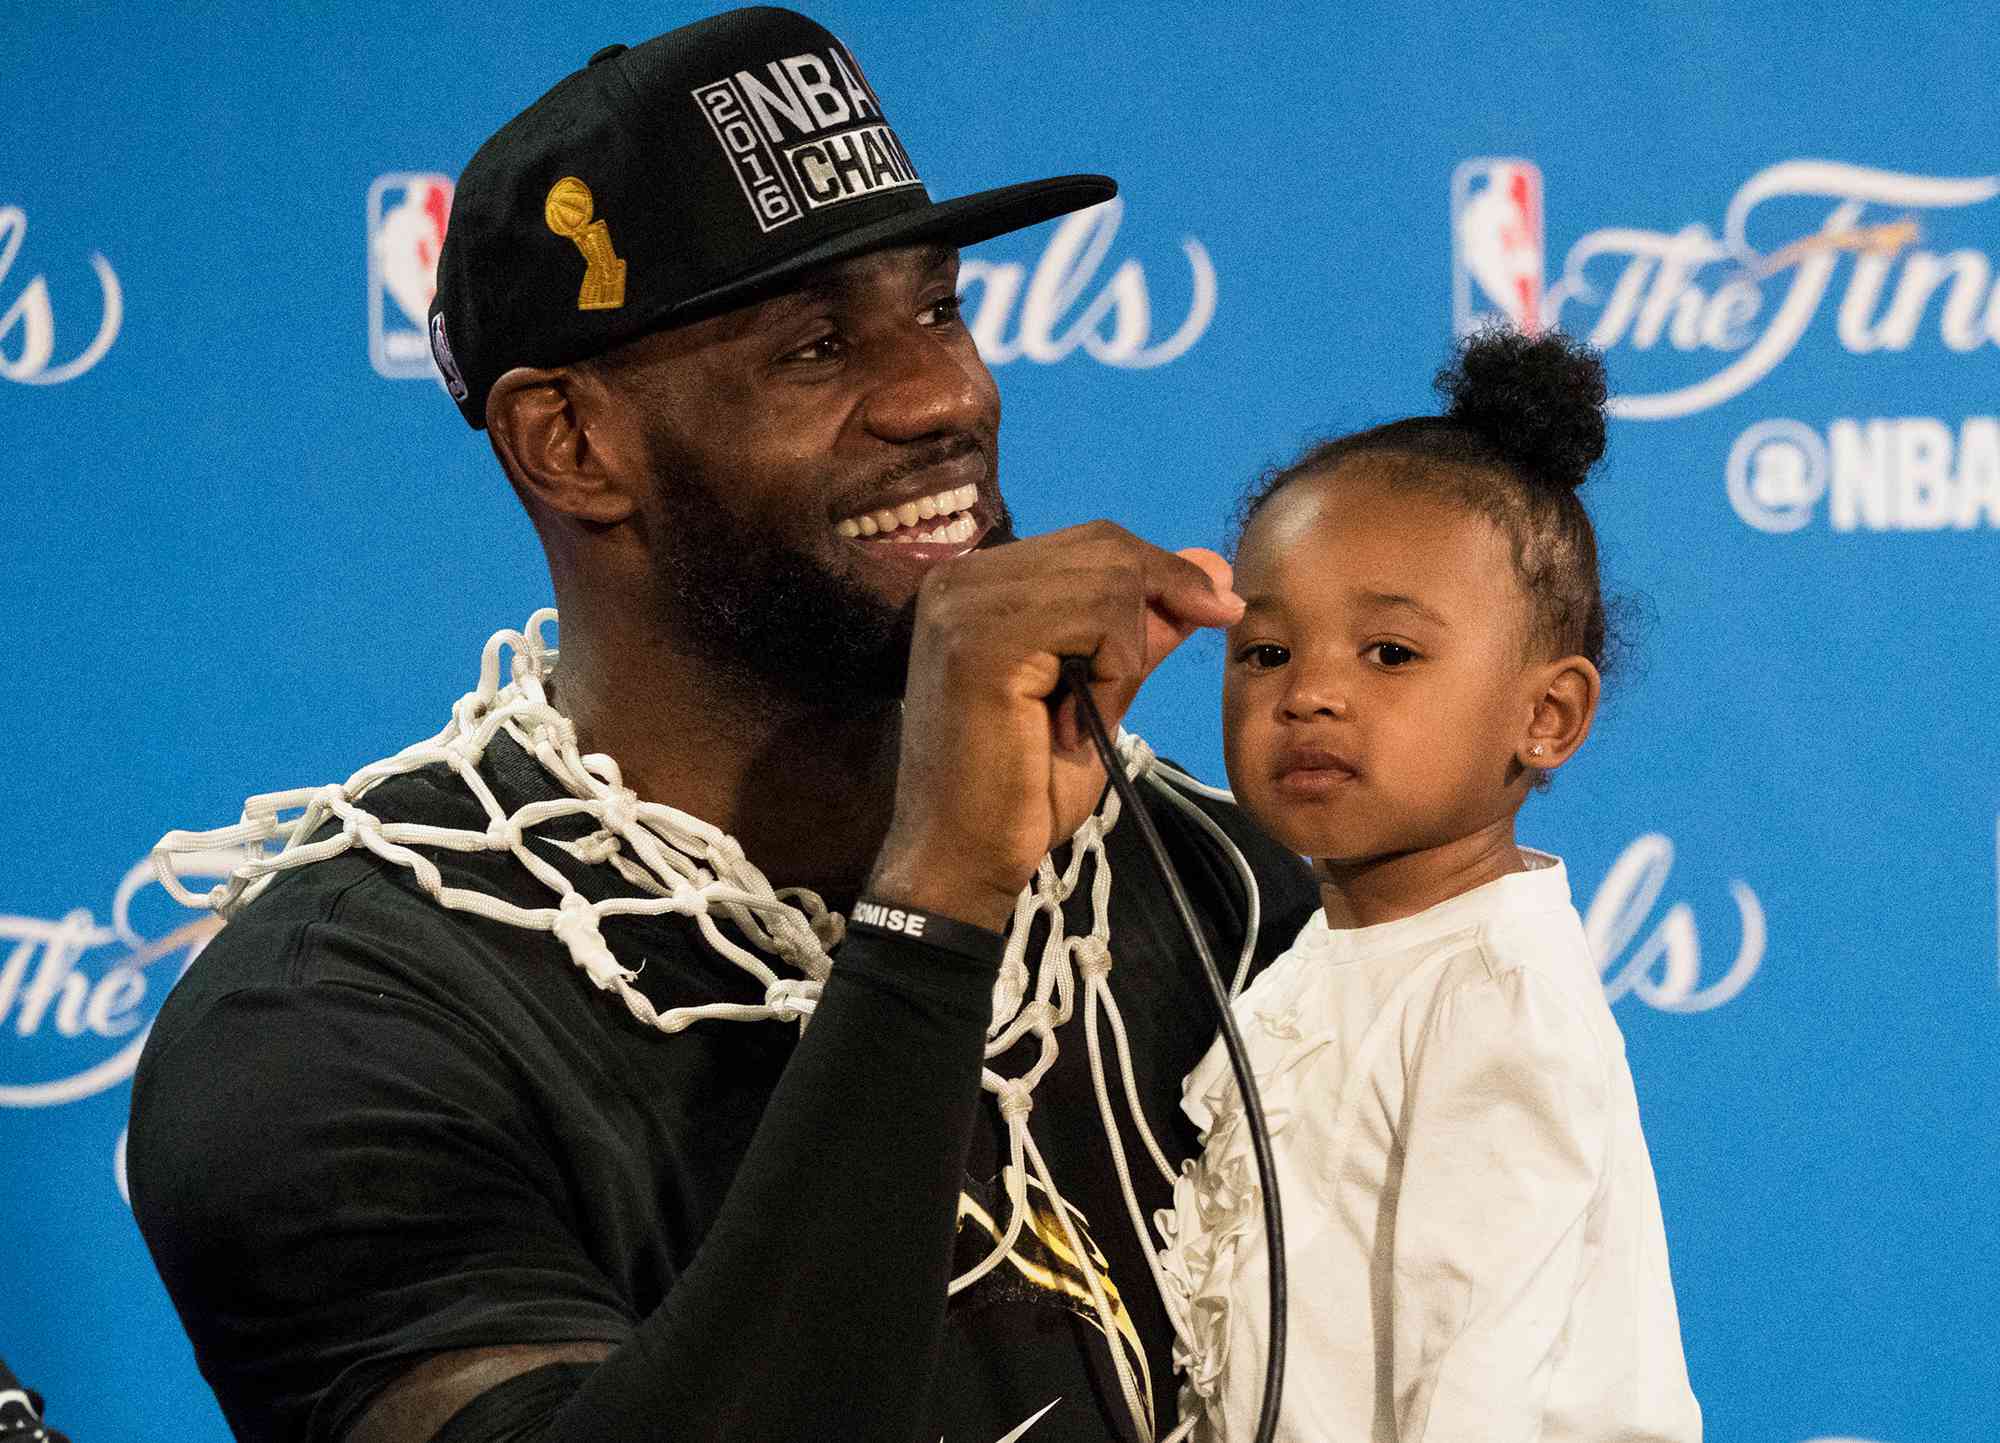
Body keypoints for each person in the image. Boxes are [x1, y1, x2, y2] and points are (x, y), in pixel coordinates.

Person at [126, 9, 1316, 1443]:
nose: (949, 392)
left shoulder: (1224, 886)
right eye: (818, 344)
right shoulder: (336, 1024)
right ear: (571, 443)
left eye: (938, 305)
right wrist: (936, 902)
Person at [1153, 330, 1702, 1441]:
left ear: (1545, 716)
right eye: (1263, 653)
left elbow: (1476, 1378)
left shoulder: (1494, 995)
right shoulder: (1306, 955)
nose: (1308, 695)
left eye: (1389, 655)